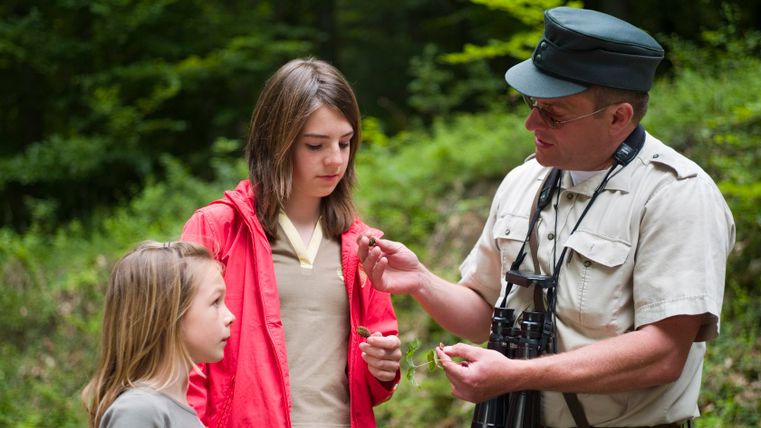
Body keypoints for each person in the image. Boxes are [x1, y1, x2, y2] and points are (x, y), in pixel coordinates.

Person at [358, 7, 735, 428]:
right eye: (533, 104)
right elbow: (483, 313)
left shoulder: (675, 195)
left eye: (554, 114)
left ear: (618, 117)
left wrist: (515, 376)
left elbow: (664, 353)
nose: (530, 123)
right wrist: (421, 281)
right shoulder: (524, 180)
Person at [181, 58, 401, 428]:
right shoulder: (217, 230)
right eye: (315, 145)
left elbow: (371, 384)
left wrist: (383, 367)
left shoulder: (364, 247)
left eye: (345, 144)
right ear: (276, 143)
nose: (335, 160)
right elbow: (181, 356)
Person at [82, 240, 235, 428]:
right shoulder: (138, 411)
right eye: (215, 302)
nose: (230, 316)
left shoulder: (176, 412)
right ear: (168, 315)